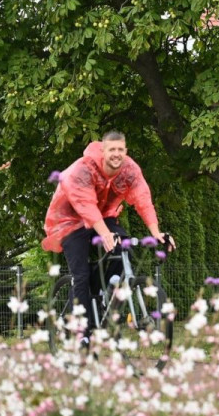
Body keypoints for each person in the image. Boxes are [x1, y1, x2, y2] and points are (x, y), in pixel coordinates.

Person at [42, 132, 174, 343]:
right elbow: (85, 205)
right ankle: (82, 333)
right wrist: (105, 234)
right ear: (103, 151)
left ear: (126, 152)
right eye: (112, 149)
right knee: (81, 275)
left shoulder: (130, 169)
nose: (116, 154)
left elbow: (143, 198)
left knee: (123, 247)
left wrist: (156, 232)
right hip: (69, 220)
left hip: (104, 215)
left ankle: (102, 295)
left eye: (120, 150)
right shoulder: (82, 169)